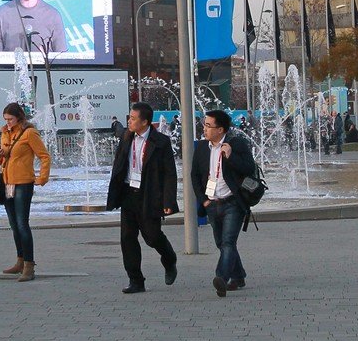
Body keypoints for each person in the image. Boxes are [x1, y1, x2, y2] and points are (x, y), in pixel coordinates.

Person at [106, 102, 178, 294]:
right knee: (127, 238)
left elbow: (169, 173)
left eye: (133, 118)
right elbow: (119, 165)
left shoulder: (160, 141)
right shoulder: (126, 137)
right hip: (128, 193)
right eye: (129, 117)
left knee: (152, 237)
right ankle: (136, 280)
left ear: (145, 122)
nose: (129, 121)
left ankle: (169, 259)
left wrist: (168, 201)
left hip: (149, 194)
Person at [192, 109, 256, 297]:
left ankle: (222, 277)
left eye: (208, 125)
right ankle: (239, 276)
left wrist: (230, 156)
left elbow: (248, 168)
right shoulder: (203, 148)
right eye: (204, 124)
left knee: (228, 241)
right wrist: (203, 200)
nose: (204, 129)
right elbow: (195, 175)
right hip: (212, 203)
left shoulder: (236, 144)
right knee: (221, 243)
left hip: (232, 203)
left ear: (220, 129)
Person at [0, 102, 52, 282]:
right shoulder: (5, 133)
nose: (8, 122)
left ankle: (29, 265)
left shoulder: (29, 133)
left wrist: (42, 178)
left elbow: (44, 156)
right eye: (5, 119)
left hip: (24, 183)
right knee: (13, 224)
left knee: (22, 224)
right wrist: (0, 156)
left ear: (19, 117)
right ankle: (19, 260)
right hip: (7, 183)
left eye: (10, 119)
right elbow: (5, 159)